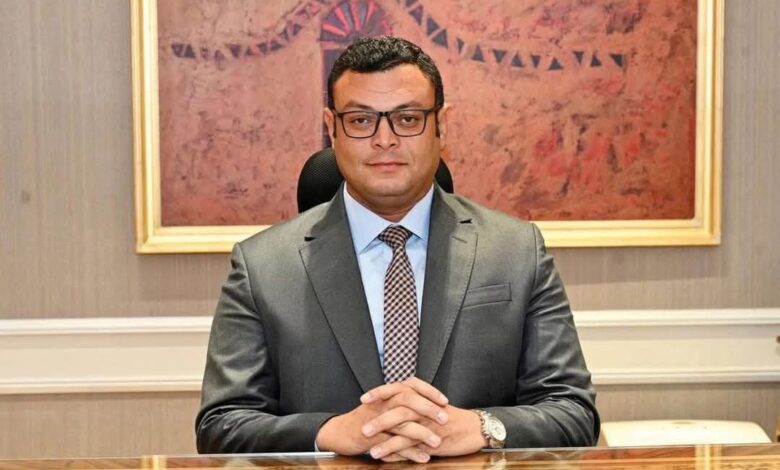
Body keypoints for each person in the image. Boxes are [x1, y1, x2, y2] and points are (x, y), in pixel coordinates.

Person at [196, 36, 598, 463]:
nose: (384, 139)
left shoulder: (517, 251)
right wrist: (330, 432)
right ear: (332, 128)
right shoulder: (262, 266)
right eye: (360, 120)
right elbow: (221, 426)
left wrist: (482, 427)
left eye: (407, 118)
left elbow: (573, 413)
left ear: (442, 125)